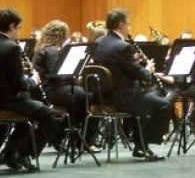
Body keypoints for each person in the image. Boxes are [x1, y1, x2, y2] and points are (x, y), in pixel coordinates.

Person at [0, 8, 66, 171]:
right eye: (18, 28)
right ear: (11, 26)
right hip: (8, 101)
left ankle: (9, 153)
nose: (18, 32)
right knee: (53, 116)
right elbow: (20, 85)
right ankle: (22, 153)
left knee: (30, 115)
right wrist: (33, 80)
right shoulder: (11, 47)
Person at [90, 8, 174, 160]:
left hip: (99, 96)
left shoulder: (98, 42)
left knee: (143, 100)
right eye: (128, 24)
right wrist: (148, 69)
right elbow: (142, 75)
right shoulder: (122, 47)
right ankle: (143, 145)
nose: (129, 27)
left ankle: (140, 145)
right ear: (121, 25)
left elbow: (117, 67)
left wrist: (132, 61)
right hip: (122, 98)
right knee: (164, 105)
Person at [33, 20, 95, 148]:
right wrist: (76, 78)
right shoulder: (52, 50)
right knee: (89, 97)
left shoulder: (43, 48)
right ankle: (78, 139)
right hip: (52, 90)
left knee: (79, 100)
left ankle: (62, 135)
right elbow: (56, 75)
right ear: (61, 35)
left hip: (49, 89)